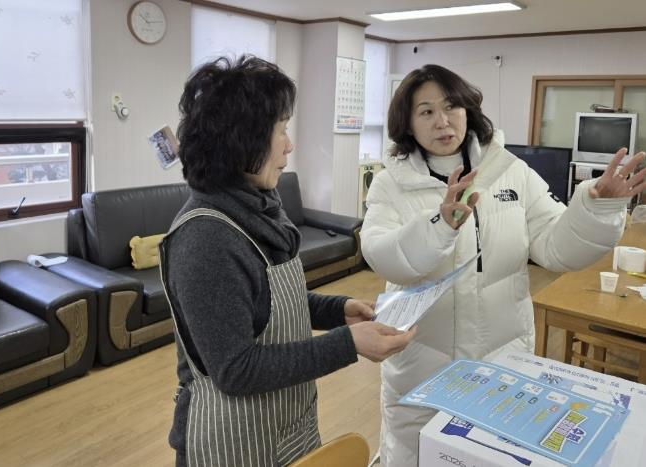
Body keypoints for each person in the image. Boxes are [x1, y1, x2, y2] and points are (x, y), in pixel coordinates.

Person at [360, 64, 646, 466]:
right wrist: (440, 225)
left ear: (467, 110)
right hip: (421, 366)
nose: (442, 121)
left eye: (451, 106)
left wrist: (597, 209)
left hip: (501, 359)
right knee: (416, 452)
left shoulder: (509, 171)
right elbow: (383, 256)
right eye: (426, 112)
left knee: (491, 453)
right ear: (407, 123)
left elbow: (555, 247)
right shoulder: (391, 183)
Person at [159, 56, 417, 467]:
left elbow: (267, 305)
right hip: (231, 443)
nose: (289, 144)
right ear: (242, 140)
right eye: (280, 129)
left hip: (285, 428)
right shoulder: (206, 238)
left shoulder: (258, 207)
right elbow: (236, 369)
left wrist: (338, 311)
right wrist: (349, 344)